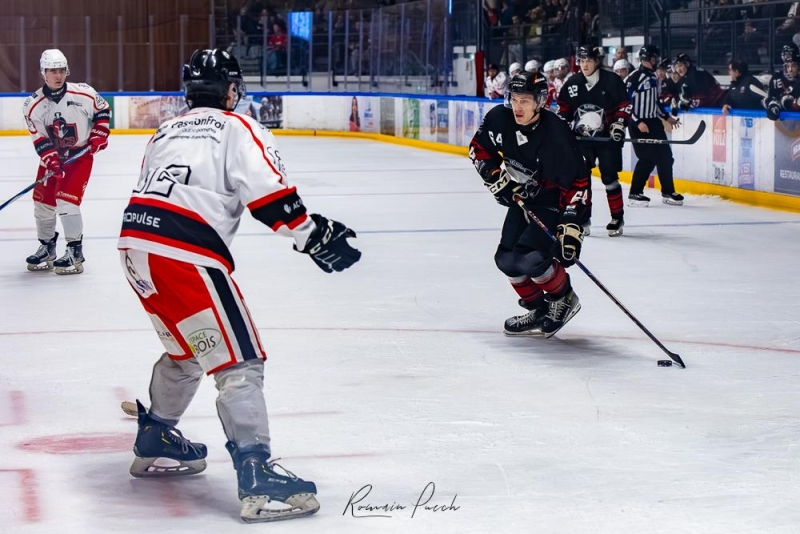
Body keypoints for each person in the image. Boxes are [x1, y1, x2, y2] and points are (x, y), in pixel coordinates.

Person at [117, 49, 361, 523]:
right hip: (184, 252)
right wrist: (310, 235)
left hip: (134, 248)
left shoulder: (166, 129)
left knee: (188, 350)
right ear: (232, 90)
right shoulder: (240, 127)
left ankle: (156, 434)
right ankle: (256, 470)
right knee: (239, 362)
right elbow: (268, 195)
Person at [469, 72, 591, 337]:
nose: (517, 107)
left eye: (525, 100)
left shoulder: (557, 134)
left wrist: (572, 224)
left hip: (553, 202)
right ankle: (538, 309)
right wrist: (494, 176)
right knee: (505, 259)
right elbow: (478, 148)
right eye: (514, 99)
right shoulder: (498, 119)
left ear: (540, 101)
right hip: (523, 198)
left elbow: (579, 182)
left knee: (531, 257)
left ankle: (564, 299)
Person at [22, 49, 110, 274]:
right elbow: (40, 138)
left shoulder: (84, 93)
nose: (58, 75)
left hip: (79, 157)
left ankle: (74, 250)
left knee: (66, 201)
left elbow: (102, 110)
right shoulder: (32, 105)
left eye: (61, 70)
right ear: (43, 73)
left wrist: (100, 133)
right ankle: (47, 246)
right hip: (52, 159)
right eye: (52, 71)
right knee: (43, 204)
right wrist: (51, 161)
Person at [557, 46, 631, 237]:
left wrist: (619, 124)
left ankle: (617, 218)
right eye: (581, 61)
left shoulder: (612, 80)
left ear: (596, 61)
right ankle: (583, 219)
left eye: (588, 60)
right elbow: (564, 109)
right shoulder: (572, 83)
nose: (585, 65)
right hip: (581, 141)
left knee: (609, 179)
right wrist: (561, 127)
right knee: (581, 181)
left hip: (606, 140)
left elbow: (624, 104)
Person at [625, 45, 683, 206]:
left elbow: (655, 102)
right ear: (646, 59)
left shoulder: (653, 77)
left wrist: (666, 117)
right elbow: (625, 103)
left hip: (653, 122)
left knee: (666, 157)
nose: (656, 60)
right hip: (638, 123)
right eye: (653, 58)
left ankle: (668, 191)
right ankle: (635, 193)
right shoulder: (634, 77)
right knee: (647, 158)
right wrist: (637, 121)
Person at [765, 44, 800, 121]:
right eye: (787, 66)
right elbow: (771, 98)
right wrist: (773, 106)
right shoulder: (776, 78)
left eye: (793, 66)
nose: (790, 70)